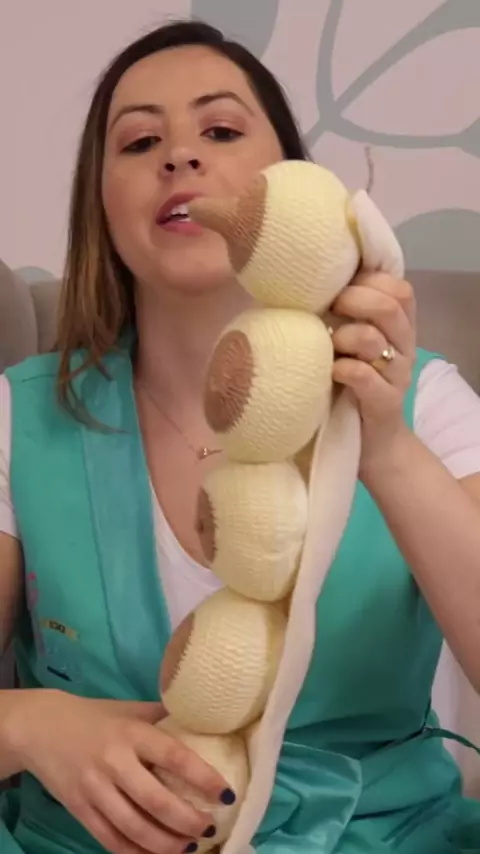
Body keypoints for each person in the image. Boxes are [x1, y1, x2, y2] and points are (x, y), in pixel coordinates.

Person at [1, 18, 480, 854]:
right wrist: (27, 724)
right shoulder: (20, 419)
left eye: (221, 131)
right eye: (140, 141)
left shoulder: (424, 404)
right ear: (101, 207)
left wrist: (385, 450)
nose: (180, 157)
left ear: (292, 179)